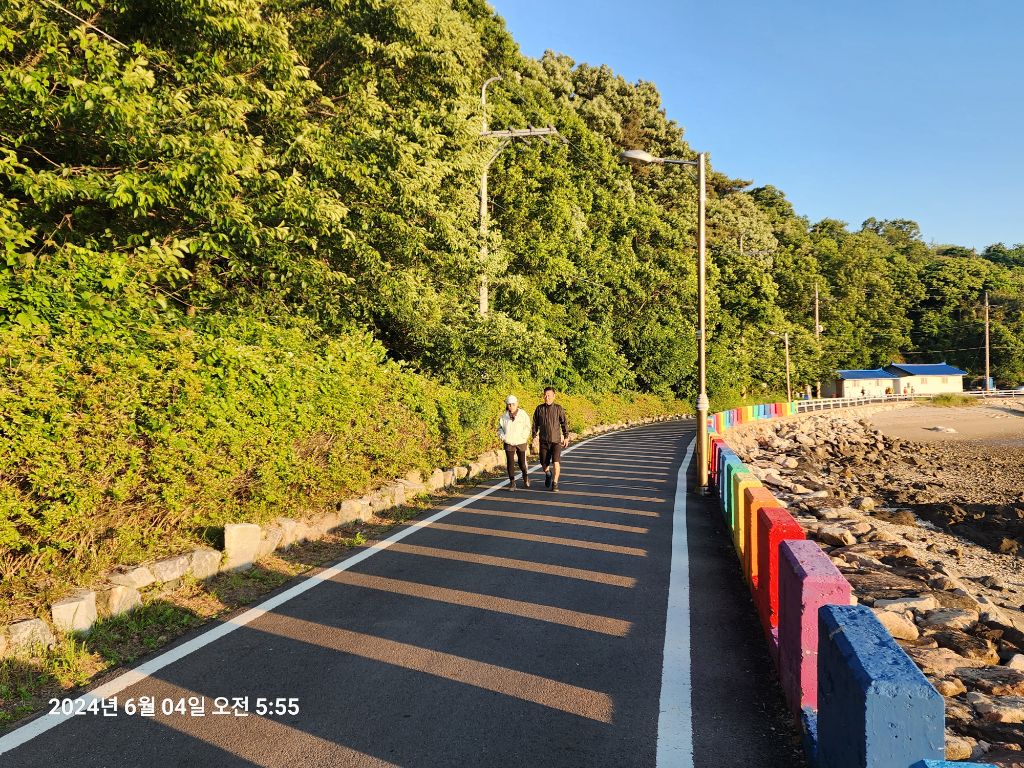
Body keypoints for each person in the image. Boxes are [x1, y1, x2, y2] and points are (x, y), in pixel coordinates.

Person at [532, 387, 569, 492]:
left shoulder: (558, 408)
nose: (546, 397)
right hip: (543, 441)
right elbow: (534, 424)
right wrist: (534, 436)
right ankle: (548, 474)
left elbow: (564, 423)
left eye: (549, 395)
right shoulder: (539, 409)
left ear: (554, 396)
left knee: (556, 462)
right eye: (545, 395)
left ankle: (555, 483)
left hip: (556, 441)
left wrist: (566, 436)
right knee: (544, 465)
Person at [498, 395, 532, 491]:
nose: (511, 406)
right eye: (509, 404)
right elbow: (500, 428)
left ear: (517, 404)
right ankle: (512, 482)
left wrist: (524, 436)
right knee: (510, 462)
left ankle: (525, 476)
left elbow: (527, 426)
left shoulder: (522, 414)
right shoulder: (504, 416)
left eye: (513, 404)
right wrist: (503, 437)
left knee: (522, 463)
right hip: (509, 441)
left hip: (521, 441)